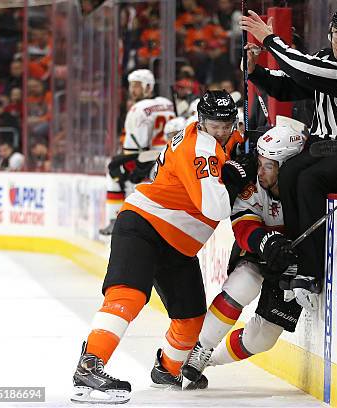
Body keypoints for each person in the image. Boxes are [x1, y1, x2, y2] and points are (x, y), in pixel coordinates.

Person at [71, 90, 251, 404]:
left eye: (226, 124)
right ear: (201, 121)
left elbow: (235, 141)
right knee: (128, 294)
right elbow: (216, 207)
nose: (221, 130)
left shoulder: (221, 137)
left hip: (178, 245)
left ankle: (167, 369)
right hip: (144, 225)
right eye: (214, 124)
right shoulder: (200, 148)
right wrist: (235, 180)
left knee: (192, 319)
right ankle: (89, 365)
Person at [241, 1, 337, 311]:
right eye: (335, 33)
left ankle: (312, 270)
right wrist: (256, 73)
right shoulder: (323, 60)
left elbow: (304, 70)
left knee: (310, 179)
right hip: (325, 144)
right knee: (290, 172)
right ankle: (296, 257)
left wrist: (270, 40)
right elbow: (288, 87)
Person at [181, 125, 304, 383]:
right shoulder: (252, 187)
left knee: (262, 339)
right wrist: (267, 242)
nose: (259, 172)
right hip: (259, 252)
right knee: (243, 284)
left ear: (287, 165)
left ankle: (211, 361)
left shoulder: (308, 187)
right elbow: (243, 226)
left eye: (268, 166)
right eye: (259, 163)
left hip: (294, 262)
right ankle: (202, 348)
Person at [100, 69, 176, 235]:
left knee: (113, 172)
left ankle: (114, 220)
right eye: (131, 86)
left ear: (148, 87)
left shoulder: (138, 109)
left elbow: (133, 149)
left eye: (136, 86)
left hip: (148, 159)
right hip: (170, 156)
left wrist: (123, 165)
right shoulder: (167, 103)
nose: (132, 90)